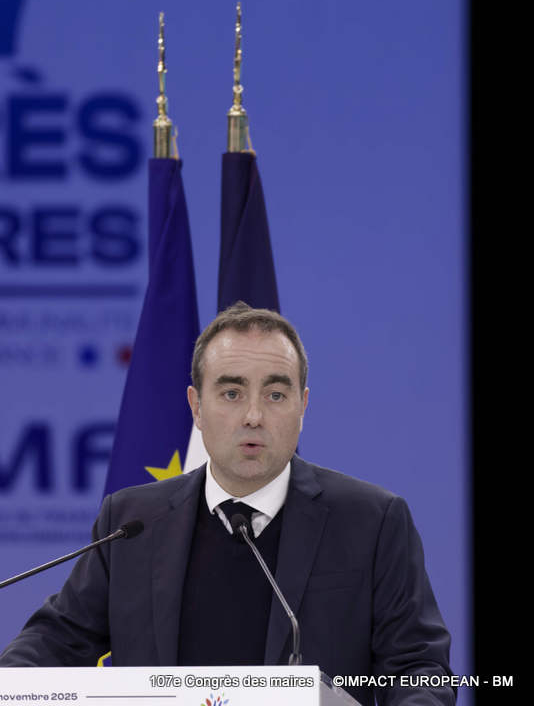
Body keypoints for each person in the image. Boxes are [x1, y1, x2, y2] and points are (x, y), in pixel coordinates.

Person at [0, 302, 455, 706]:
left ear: (303, 406)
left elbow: (418, 669)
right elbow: (56, 641)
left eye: (275, 395)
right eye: (232, 393)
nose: (253, 416)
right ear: (196, 406)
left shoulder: (371, 521)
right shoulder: (132, 521)